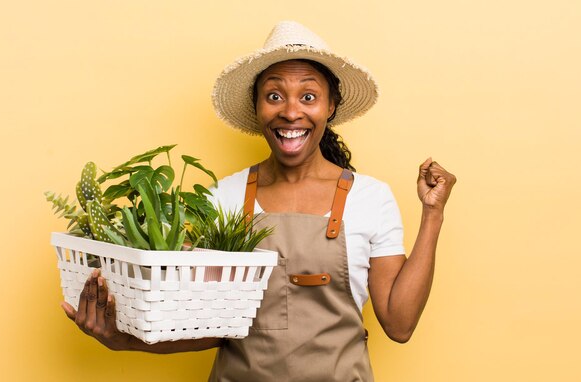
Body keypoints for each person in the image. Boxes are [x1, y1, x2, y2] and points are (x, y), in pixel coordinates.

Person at [61, 21, 456, 381]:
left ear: (330, 106)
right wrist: (124, 340)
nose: (290, 112)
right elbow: (208, 328)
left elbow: (399, 325)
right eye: (274, 95)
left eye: (308, 96)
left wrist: (432, 214)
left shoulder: (370, 198)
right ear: (257, 107)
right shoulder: (223, 197)